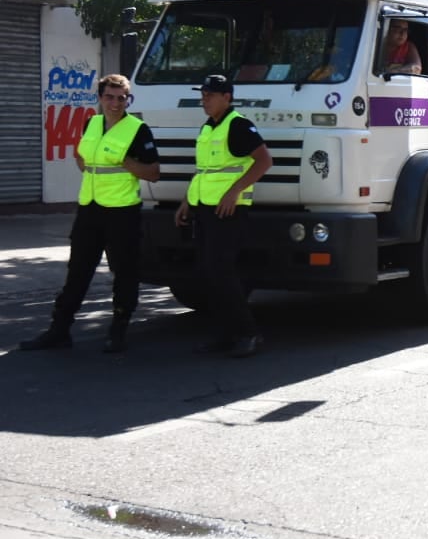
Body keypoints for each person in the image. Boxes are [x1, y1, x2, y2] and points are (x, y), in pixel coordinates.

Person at [18, 74, 160, 353]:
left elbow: (153, 173)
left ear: (128, 100)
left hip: (122, 212)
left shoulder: (138, 129)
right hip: (91, 209)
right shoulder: (92, 123)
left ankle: (118, 330)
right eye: (110, 96)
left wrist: (127, 163)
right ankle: (59, 331)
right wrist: (89, 166)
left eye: (122, 98)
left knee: (125, 272)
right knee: (78, 272)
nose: (116, 103)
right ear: (100, 97)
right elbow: (82, 157)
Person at [175, 75, 273, 358]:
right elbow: (204, 171)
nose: (204, 99)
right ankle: (225, 334)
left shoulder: (238, 124)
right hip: (205, 207)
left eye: (210, 94)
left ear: (226, 97)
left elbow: (264, 160)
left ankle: (248, 333)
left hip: (228, 210)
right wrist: (186, 201)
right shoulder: (209, 127)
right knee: (208, 273)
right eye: (203, 94)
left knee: (222, 273)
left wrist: (234, 192)